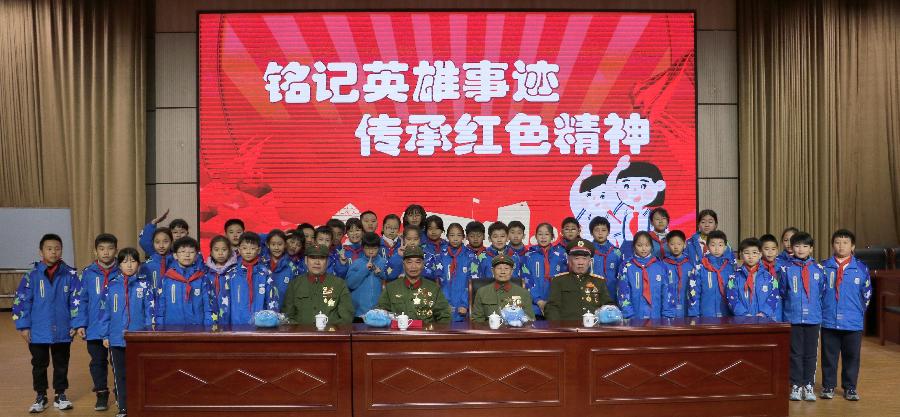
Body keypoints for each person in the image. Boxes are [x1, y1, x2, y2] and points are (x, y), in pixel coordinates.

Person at [12, 234, 81, 412]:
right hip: (38, 330)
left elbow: (77, 301)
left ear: (61, 251)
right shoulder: (31, 276)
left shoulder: (71, 274)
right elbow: (22, 301)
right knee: (39, 365)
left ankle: (60, 394)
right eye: (49, 249)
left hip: (63, 329)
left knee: (61, 363)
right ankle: (40, 396)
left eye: (57, 248)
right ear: (41, 251)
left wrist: (76, 323)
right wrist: (23, 326)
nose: (53, 252)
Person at [98, 248, 153, 417]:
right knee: (120, 375)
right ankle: (123, 407)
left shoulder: (145, 285)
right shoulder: (111, 285)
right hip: (116, 338)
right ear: (119, 264)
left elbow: (150, 311)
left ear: (139, 264)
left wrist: (148, 334)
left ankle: (141, 406)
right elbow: (104, 312)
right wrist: (105, 335)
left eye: (133, 261)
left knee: (140, 374)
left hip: (138, 339)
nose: (129, 265)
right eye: (125, 262)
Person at [820, 229, 871, 401]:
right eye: (837, 242)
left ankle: (850, 388)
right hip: (829, 320)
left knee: (852, 357)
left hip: (853, 322)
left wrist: (858, 313)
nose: (841, 246)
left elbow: (867, 294)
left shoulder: (861, 268)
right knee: (829, 356)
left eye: (845, 243)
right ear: (832, 245)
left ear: (853, 246)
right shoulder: (823, 267)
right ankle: (828, 386)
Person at [74, 233, 119, 411]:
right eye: (102, 249)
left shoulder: (123, 270)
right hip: (94, 327)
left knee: (118, 362)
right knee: (97, 362)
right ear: (95, 251)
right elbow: (81, 299)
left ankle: (120, 393)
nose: (106, 252)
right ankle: (101, 393)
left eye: (110, 248)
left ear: (116, 250)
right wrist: (80, 323)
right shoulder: (88, 273)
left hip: (116, 327)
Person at [781, 232, 826, 401]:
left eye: (805, 246)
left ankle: (808, 385)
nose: (801, 249)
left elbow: (823, 293)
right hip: (793, 317)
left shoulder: (819, 269)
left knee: (811, 354)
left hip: (813, 318)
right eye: (797, 246)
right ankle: (796, 385)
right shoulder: (785, 269)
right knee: (795, 353)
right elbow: (782, 292)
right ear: (791, 248)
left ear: (811, 248)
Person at [376, 245, 452, 324]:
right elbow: (380, 314)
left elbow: (445, 316)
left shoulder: (434, 288)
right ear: (403, 265)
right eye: (409, 262)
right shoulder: (391, 288)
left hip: (425, 331)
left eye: (418, 262)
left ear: (423, 265)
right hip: (399, 331)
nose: (413, 266)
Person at [282, 243, 354, 325]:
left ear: (327, 262)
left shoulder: (339, 284)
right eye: (313, 258)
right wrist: (302, 330)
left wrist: (327, 330)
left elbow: (347, 317)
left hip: (331, 333)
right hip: (302, 333)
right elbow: (287, 317)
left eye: (322, 258)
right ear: (306, 260)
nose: (317, 262)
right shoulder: (294, 284)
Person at [544, 239, 615, 321]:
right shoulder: (558, 281)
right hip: (568, 327)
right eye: (576, 258)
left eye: (584, 259)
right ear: (569, 261)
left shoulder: (599, 282)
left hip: (594, 327)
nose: (580, 263)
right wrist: (559, 326)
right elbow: (552, 308)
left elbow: (608, 306)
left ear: (590, 261)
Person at [153, 237, 217, 326]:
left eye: (191, 252)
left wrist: (208, 327)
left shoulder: (202, 278)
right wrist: (160, 327)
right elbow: (160, 306)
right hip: (172, 327)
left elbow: (209, 306)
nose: (187, 255)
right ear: (175, 255)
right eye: (182, 252)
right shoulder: (167, 279)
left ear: (196, 256)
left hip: (198, 328)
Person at [220, 232, 278, 325]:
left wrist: (271, 325)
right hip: (236, 326)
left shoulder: (266, 274)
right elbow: (225, 304)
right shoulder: (231, 274)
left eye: (252, 248)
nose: (248, 251)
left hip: (260, 326)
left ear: (259, 250)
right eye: (244, 248)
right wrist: (224, 326)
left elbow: (272, 301)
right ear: (239, 250)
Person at [617, 232, 673, 319]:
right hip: (634, 317)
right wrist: (628, 316)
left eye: (647, 245)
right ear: (634, 246)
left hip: (656, 317)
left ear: (651, 246)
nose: (643, 249)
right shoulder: (626, 266)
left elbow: (667, 292)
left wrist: (667, 316)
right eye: (639, 245)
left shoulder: (661, 266)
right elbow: (623, 292)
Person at [431, 223, 477, 322]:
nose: (455, 238)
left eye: (459, 235)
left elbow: (472, 282)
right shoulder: (440, 255)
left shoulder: (470, 255)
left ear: (463, 237)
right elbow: (438, 282)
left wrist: (465, 304)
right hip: (444, 305)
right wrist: (444, 303)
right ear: (447, 237)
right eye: (452, 235)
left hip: (463, 306)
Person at [471, 254, 535, 322]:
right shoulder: (482, 292)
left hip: (515, 328)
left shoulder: (523, 293)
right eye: (499, 268)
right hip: (490, 328)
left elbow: (530, 320)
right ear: (492, 271)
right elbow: (477, 320)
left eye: (506, 268)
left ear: (512, 271)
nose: (503, 272)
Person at [522, 222, 567, 318]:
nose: (543, 237)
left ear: (552, 237)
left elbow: (564, 280)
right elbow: (527, 280)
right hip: (534, 306)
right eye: (540, 234)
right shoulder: (528, 256)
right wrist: (538, 301)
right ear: (535, 236)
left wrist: (554, 301)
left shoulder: (561, 256)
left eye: (546, 234)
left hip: (555, 305)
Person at [726, 238, 779, 318]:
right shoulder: (734, 278)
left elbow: (774, 296)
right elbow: (731, 298)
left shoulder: (769, 278)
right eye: (747, 253)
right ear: (741, 255)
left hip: (763, 320)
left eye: (754, 253)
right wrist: (744, 314)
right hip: (742, 320)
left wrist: (764, 313)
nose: (750, 256)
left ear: (760, 255)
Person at [346, 232, 392, 321]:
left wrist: (380, 273)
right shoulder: (357, 263)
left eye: (374, 248)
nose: (371, 251)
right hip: (359, 313)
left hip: (380, 312)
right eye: (368, 248)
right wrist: (364, 269)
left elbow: (391, 280)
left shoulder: (384, 262)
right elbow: (350, 284)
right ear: (363, 248)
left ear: (379, 248)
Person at [688, 230, 734, 317]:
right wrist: (694, 316)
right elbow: (694, 293)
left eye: (720, 245)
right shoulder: (699, 268)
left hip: (727, 315)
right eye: (713, 245)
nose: (717, 249)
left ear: (725, 247)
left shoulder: (731, 268)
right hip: (706, 315)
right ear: (707, 247)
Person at [589, 217, 624, 297]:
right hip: (591, 293)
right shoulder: (588, 251)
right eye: (597, 230)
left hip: (612, 294)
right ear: (591, 233)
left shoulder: (616, 253)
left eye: (603, 230)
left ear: (608, 232)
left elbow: (621, 276)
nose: (600, 233)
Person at [662, 230, 694, 317]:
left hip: (687, 309)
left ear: (684, 245)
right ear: (667, 245)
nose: (676, 247)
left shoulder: (690, 265)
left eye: (679, 244)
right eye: (672, 244)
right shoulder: (663, 265)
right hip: (668, 311)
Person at [266, 230, 298, 298]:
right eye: (273, 244)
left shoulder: (292, 267)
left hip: (284, 304)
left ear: (285, 245)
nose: (276, 248)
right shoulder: (261, 264)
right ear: (268, 245)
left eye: (280, 244)